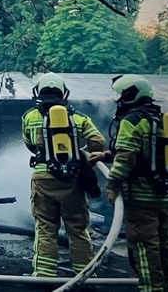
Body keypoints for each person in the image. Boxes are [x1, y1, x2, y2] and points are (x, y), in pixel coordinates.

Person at [21, 72, 107, 278]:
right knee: (78, 229)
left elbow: (30, 145)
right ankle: (85, 276)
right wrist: (79, 153)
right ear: (64, 93)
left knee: (45, 228)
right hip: (73, 179)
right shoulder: (79, 118)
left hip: (43, 177)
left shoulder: (29, 117)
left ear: (38, 91)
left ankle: (44, 275)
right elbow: (98, 142)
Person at [106, 74, 168, 292]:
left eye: (121, 95)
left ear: (130, 94)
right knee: (163, 248)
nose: (119, 101)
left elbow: (127, 157)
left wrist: (112, 185)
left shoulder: (132, 121)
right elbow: (146, 154)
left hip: (140, 198)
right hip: (162, 195)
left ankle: (151, 289)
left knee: (144, 250)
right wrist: (105, 156)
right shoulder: (160, 120)